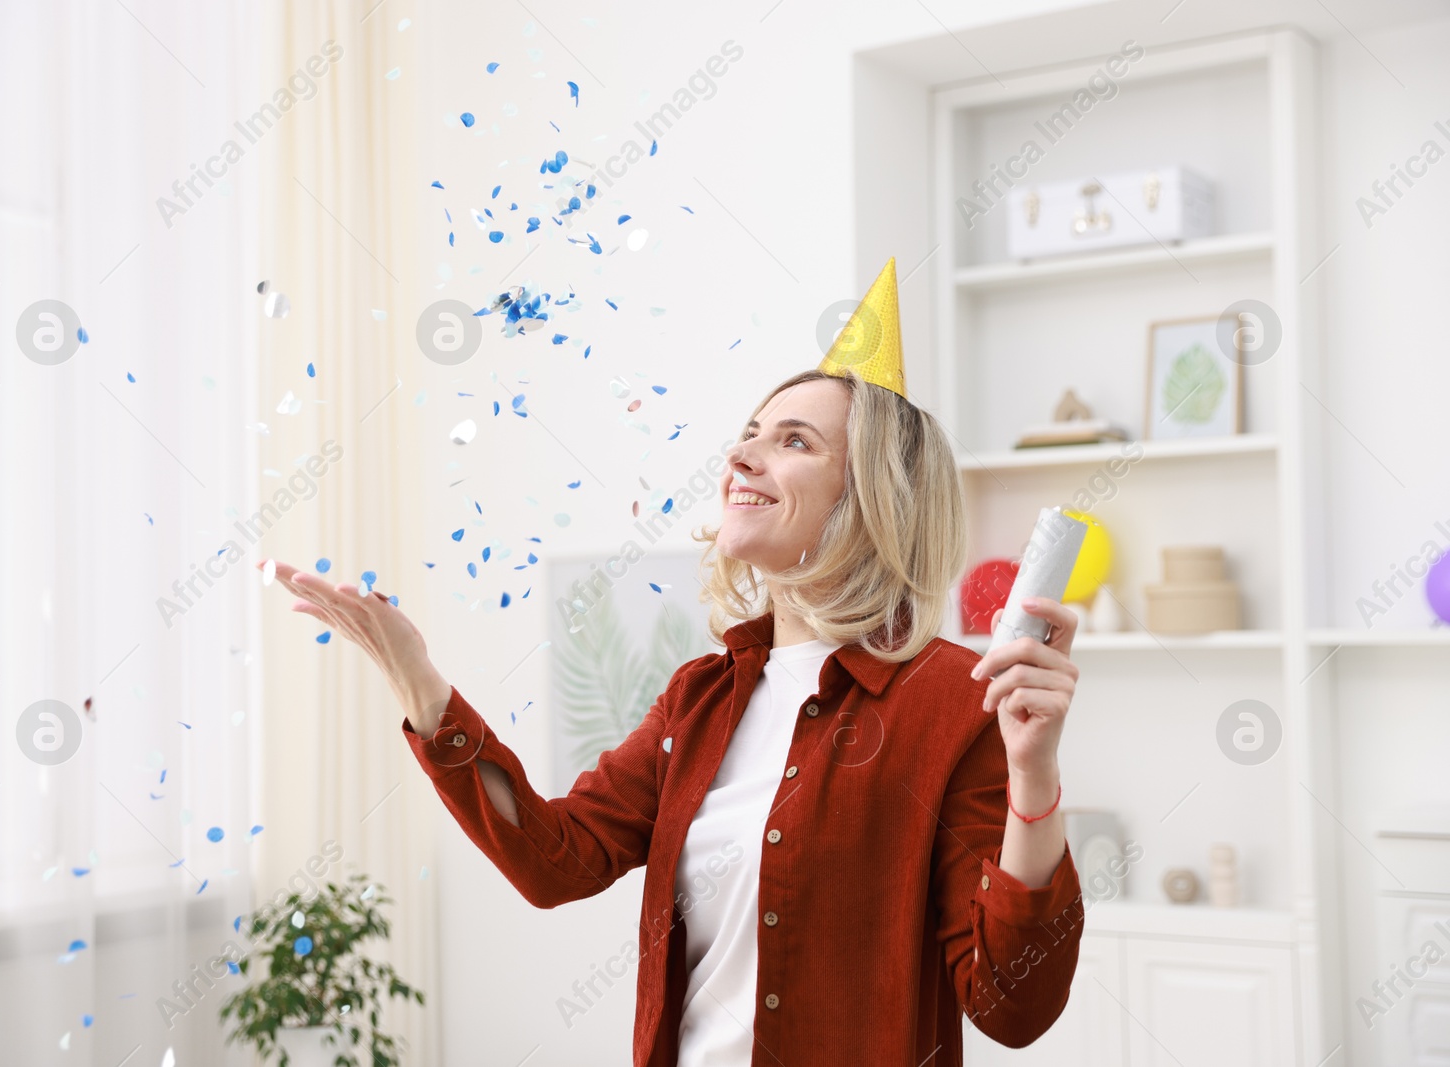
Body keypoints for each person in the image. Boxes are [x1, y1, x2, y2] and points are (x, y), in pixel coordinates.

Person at [261, 257, 1085, 1066]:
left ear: (873, 495)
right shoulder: (701, 697)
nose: (743, 459)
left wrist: (1034, 776)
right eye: (747, 437)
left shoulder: (952, 699)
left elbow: (1009, 1007)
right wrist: (421, 686)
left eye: (793, 441)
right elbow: (557, 859)